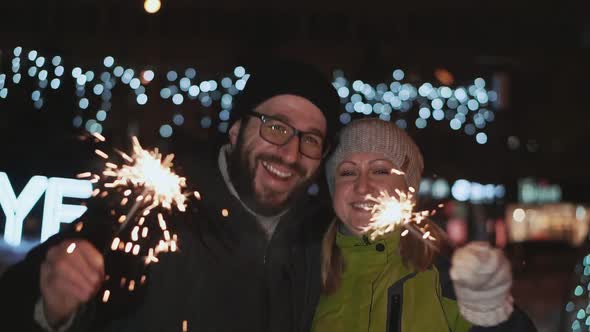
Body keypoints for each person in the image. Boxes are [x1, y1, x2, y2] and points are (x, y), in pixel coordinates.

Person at [0, 58, 341, 331]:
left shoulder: (322, 238)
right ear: (236, 131)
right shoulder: (150, 207)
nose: (291, 154)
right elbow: (16, 299)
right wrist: (52, 310)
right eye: (276, 127)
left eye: (310, 139)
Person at [311, 118, 537, 332]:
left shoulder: (447, 282)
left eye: (380, 170)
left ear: (407, 189)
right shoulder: (301, 274)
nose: (362, 187)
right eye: (348, 172)